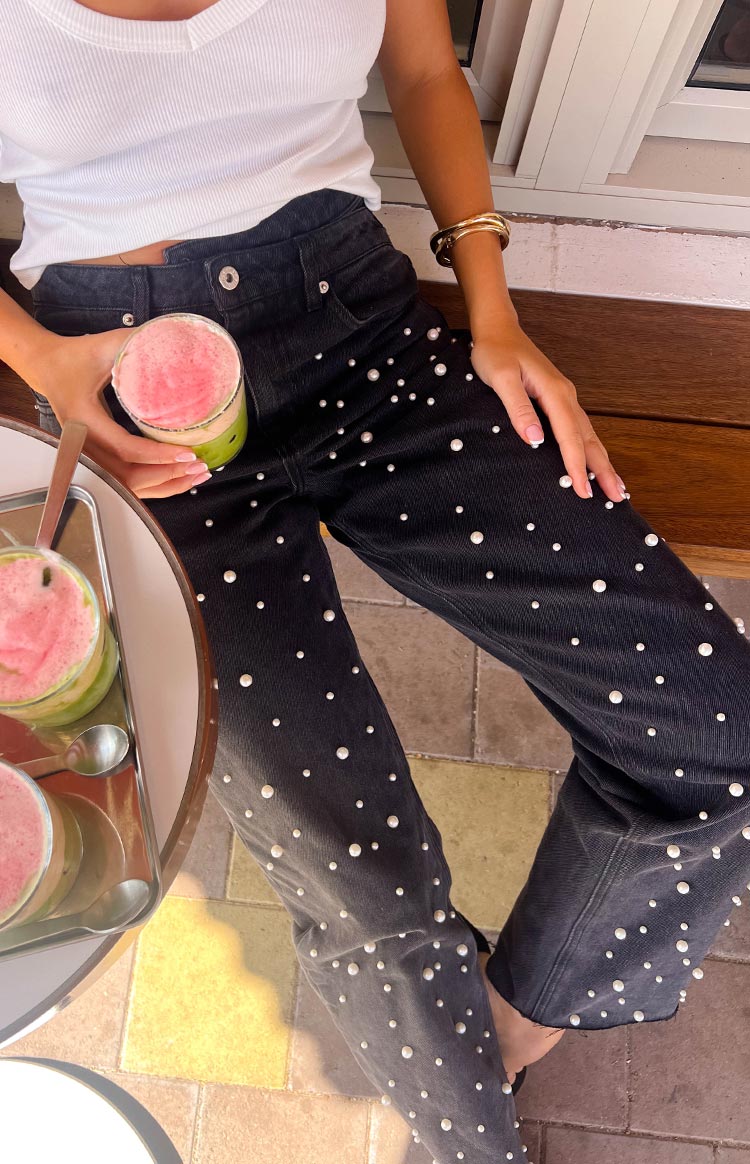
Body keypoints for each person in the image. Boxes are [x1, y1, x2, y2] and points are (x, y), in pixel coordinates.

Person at [1, 3, 749, 1160]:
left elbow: (422, 68)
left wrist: (494, 309)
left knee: (714, 725)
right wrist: (46, 361)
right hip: (122, 387)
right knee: (363, 885)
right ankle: (472, 1139)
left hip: (361, 324)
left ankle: (517, 1012)